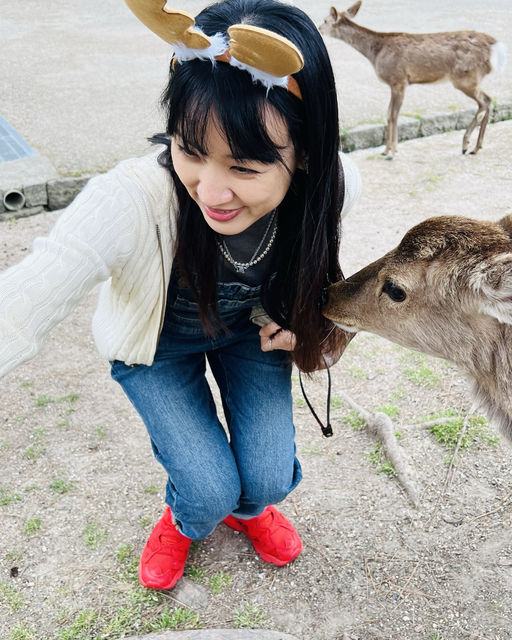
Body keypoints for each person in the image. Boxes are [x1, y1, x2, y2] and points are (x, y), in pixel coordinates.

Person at [0, 0, 360, 590]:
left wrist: (319, 332)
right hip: (156, 350)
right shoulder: (132, 199)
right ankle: (186, 519)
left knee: (266, 479)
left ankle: (249, 512)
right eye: (189, 149)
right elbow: (31, 288)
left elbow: (339, 288)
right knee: (206, 488)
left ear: (307, 155)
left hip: (248, 333)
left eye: (244, 166)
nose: (210, 189)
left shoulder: (333, 189)